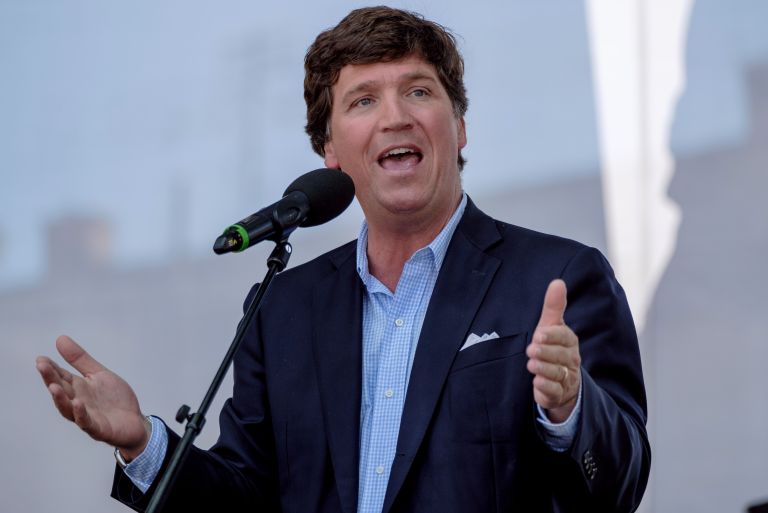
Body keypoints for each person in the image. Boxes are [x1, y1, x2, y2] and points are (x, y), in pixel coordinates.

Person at [36, 6, 650, 512]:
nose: (396, 116)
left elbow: (620, 488)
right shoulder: (284, 310)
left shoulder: (560, 279)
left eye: (418, 91)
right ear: (329, 150)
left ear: (459, 127)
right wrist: (144, 444)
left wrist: (570, 408)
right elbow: (245, 499)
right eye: (362, 101)